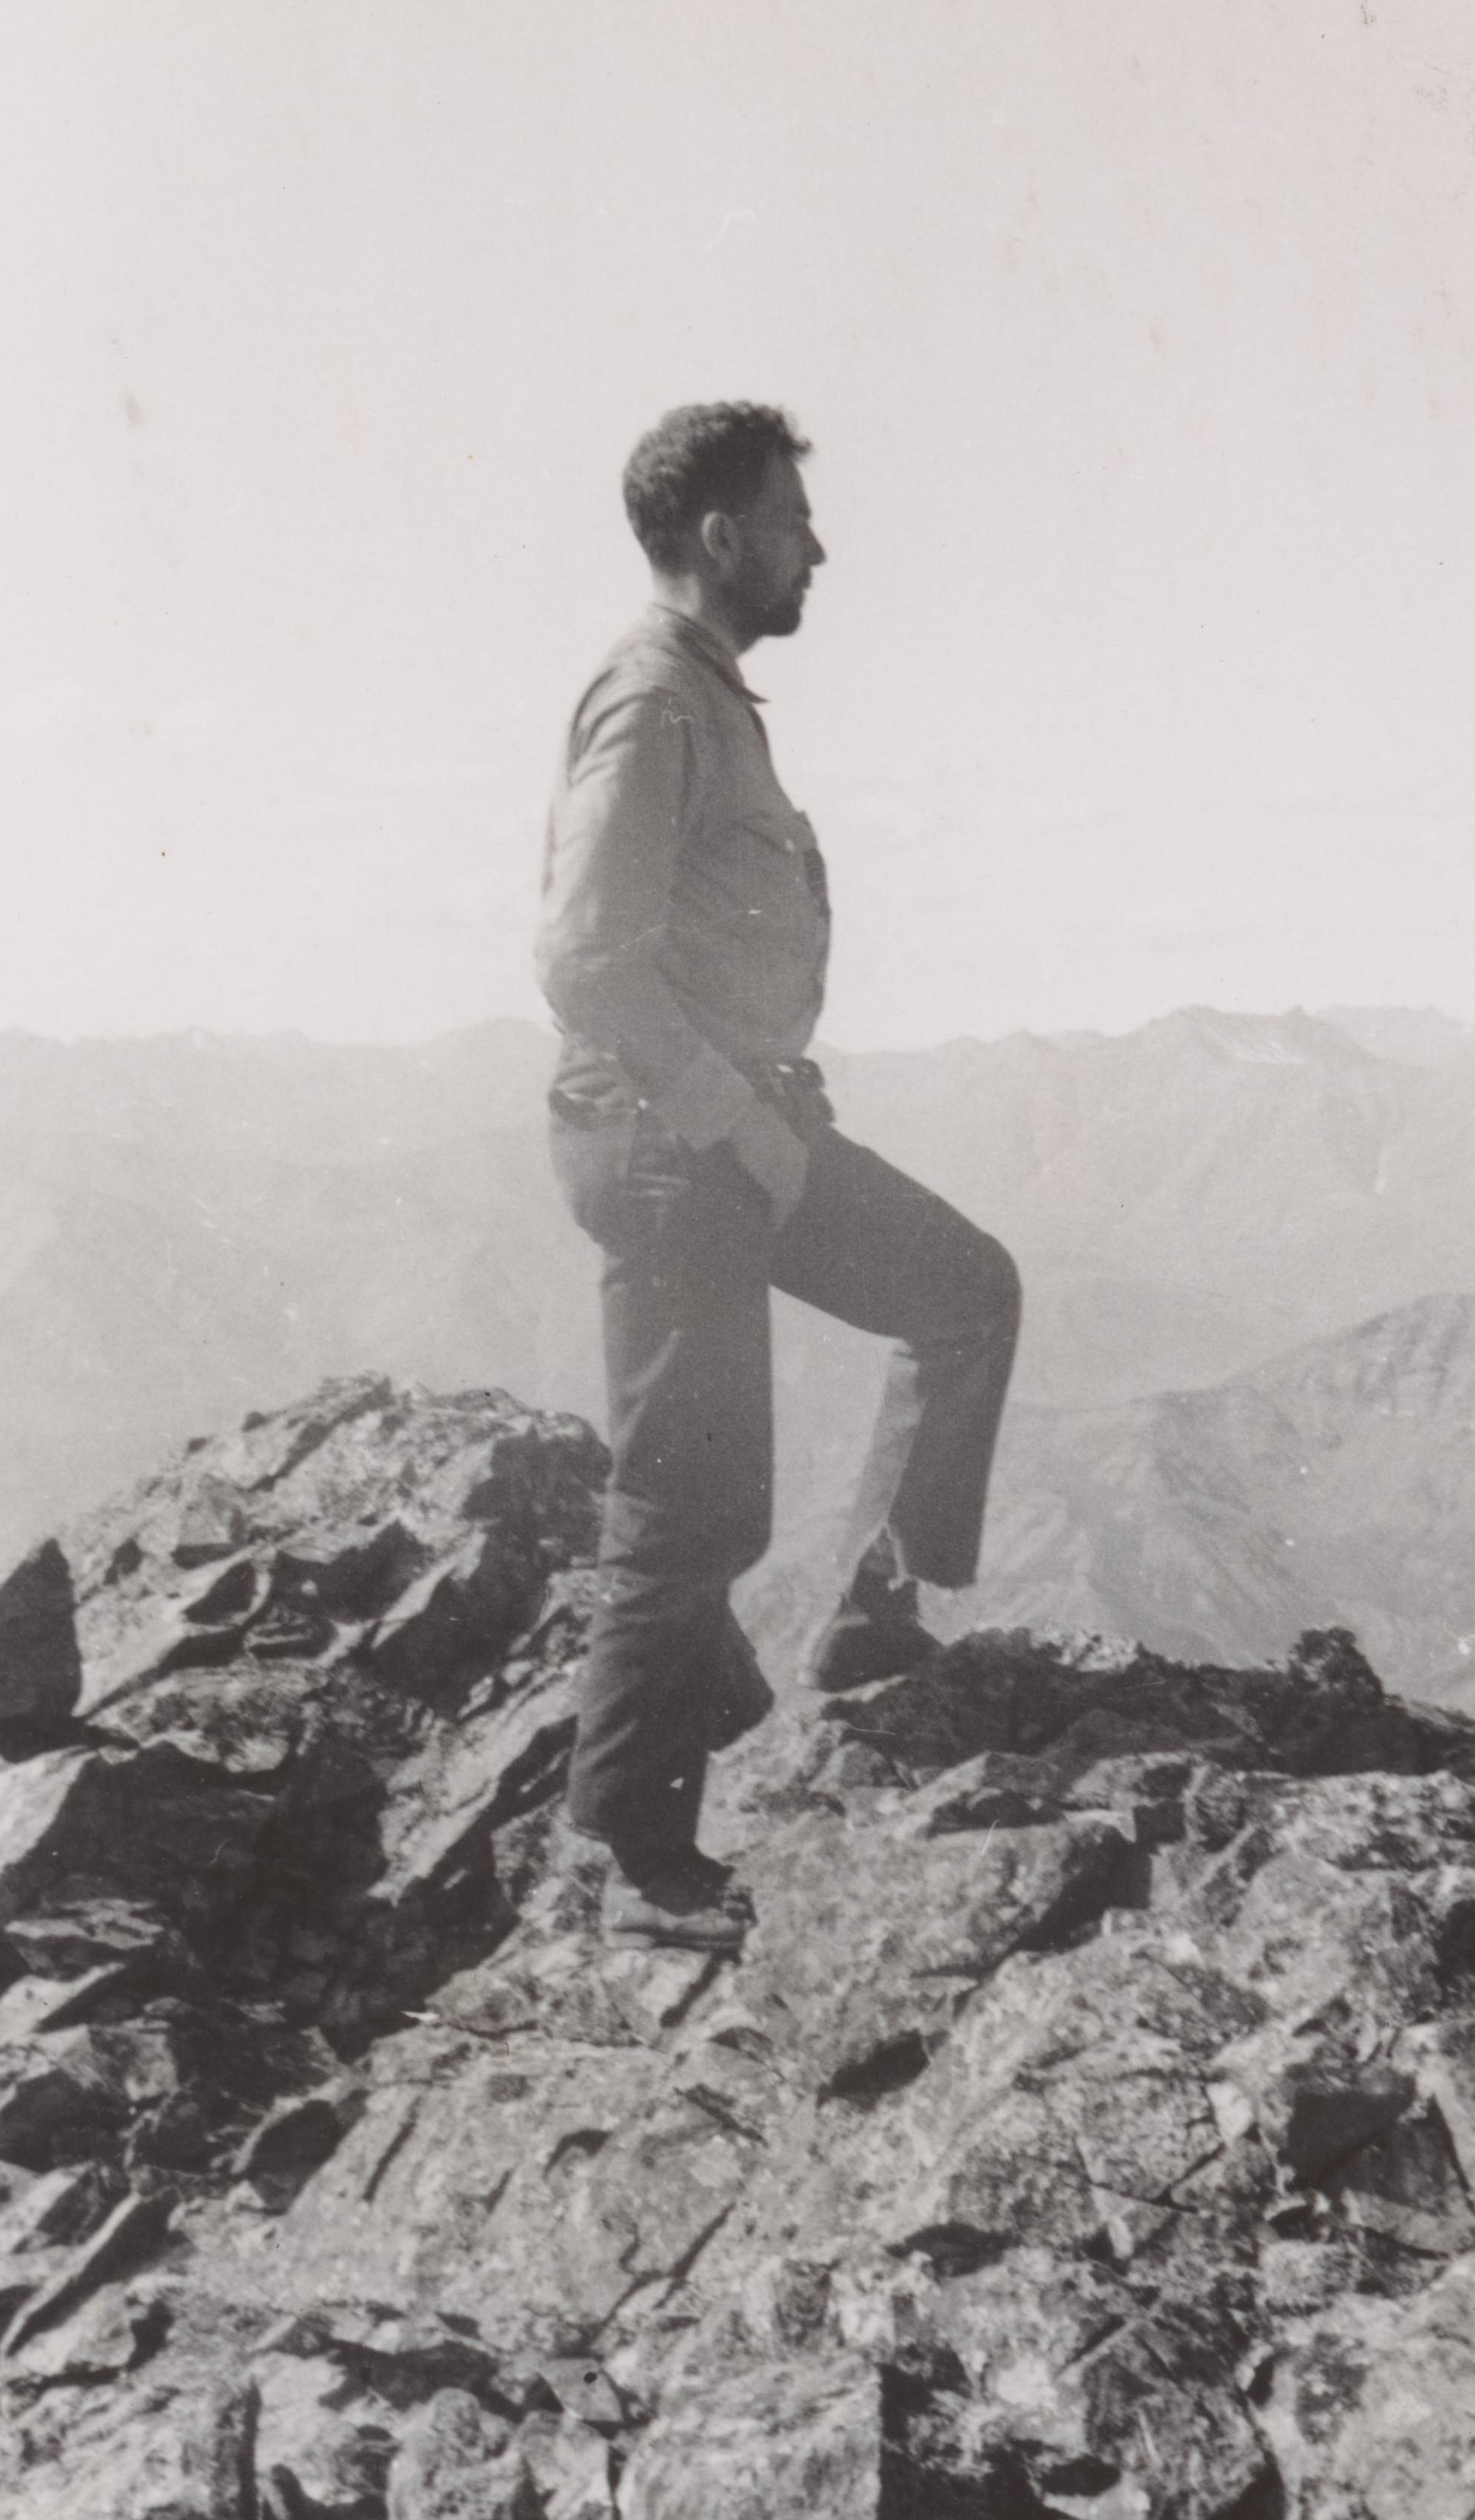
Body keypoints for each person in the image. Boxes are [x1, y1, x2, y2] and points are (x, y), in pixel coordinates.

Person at [536, 402, 1023, 1955]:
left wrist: (767, 1112)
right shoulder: (654, 704)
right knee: (687, 1513)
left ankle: (870, 1631)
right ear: (725, 538)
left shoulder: (711, 701)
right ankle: (627, 1852)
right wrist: (730, 1120)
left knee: (963, 1291)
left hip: (746, 1131)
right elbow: (581, 957)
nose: (822, 542)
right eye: (798, 517)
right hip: (676, 1150)